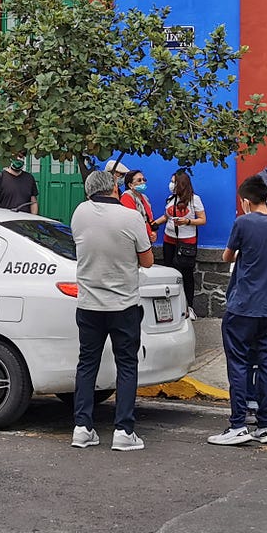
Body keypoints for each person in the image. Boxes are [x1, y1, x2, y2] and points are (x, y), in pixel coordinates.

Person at [207, 174, 267, 446]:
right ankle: (265, 425)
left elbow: (227, 256)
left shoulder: (243, 223)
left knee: (238, 364)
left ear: (246, 201)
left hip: (243, 306)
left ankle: (238, 424)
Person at [69, 169, 153, 452]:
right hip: (123, 304)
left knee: (87, 363)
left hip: (89, 303)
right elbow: (147, 260)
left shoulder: (79, 213)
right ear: (115, 188)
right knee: (126, 365)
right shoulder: (131, 217)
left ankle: (82, 427)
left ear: (89, 190)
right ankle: (124, 430)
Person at [157, 170, 204, 314]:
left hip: (186, 242)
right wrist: (153, 224)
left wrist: (187, 221)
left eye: (174, 182)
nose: (171, 185)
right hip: (169, 239)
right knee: (169, 271)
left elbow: (202, 220)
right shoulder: (171, 198)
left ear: (181, 184)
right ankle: (171, 305)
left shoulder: (194, 199)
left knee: (186, 274)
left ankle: (189, 307)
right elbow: (166, 217)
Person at [119, 170, 157, 244]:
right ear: (130, 185)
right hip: (136, 239)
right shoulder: (126, 197)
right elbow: (132, 222)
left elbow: (149, 217)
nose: (143, 182)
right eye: (139, 180)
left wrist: (153, 231)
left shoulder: (144, 197)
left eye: (144, 179)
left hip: (147, 236)